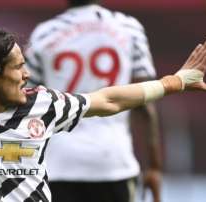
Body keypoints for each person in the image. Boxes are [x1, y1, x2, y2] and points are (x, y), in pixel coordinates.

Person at [0, 29, 206, 202]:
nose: (27, 74)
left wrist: (174, 82)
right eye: (19, 67)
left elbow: (106, 99)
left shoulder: (43, 105)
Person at [24, 0, 163, 201]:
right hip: (115, 162)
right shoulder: (128, 28)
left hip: (59, 163)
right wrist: (155, 166)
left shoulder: (44, 34)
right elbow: (145, 102)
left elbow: (29, 103)